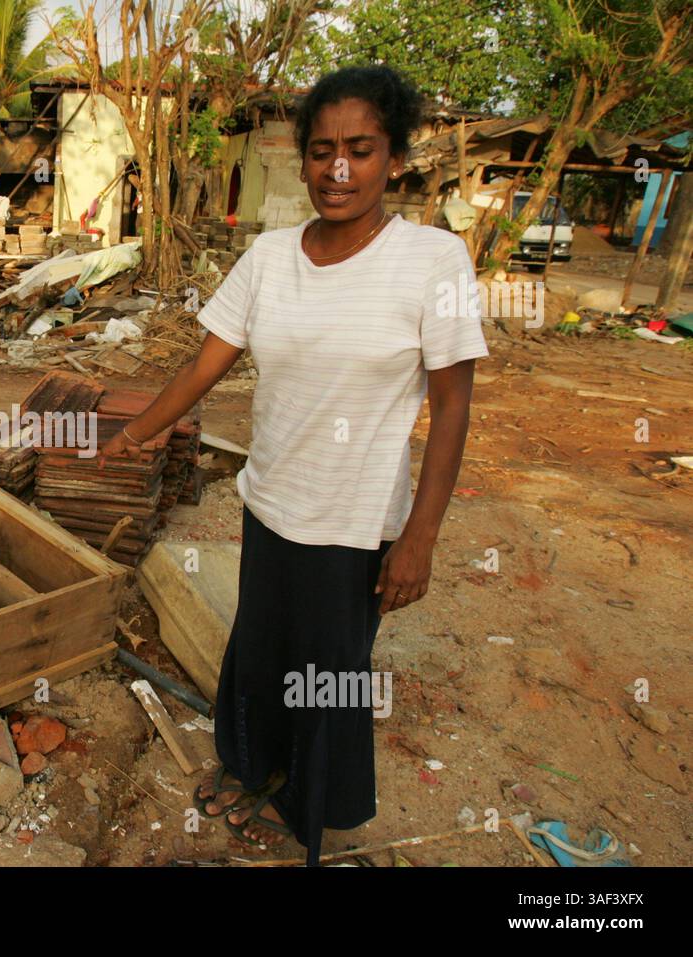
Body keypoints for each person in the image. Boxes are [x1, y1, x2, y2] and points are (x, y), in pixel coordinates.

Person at [99, 65, 489, 865]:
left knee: (329, 678)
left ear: (393, 159)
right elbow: (206, 363)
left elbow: (452, 406)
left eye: (360, 149)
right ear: (302, 160)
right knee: (262, 651)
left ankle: (309, 807)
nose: (338, 169)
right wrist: (137, 432)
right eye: (321, 150)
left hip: (354, 522)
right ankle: (250, 765)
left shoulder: (433, 261)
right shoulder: (271, 257)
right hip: (271, 499)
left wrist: (420, 537)